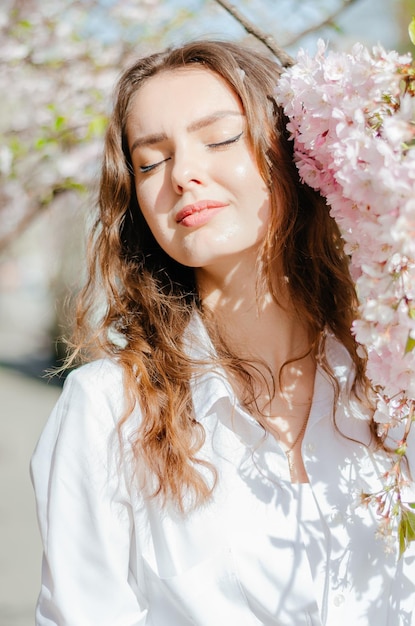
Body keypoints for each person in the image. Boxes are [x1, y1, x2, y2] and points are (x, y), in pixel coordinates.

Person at [31, 39, 415, 625]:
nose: (183, 174)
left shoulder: (394, 386)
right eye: (150, 162)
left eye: (219, 138)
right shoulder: (110, 410)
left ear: (295, 152)